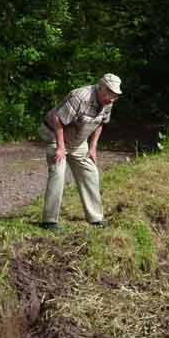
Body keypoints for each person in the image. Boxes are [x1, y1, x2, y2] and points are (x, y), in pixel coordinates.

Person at [38, 73, 122, 230]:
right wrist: (61, 148)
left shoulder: (108, 101)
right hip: (56, 135)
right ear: (101, 87)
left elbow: (100, 123)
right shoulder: (80, 97)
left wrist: (92, 148)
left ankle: (95, 218)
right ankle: (49, 221)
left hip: (78, 140)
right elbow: (57, 119)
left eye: (115, 95)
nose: (112, 98)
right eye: (110, 93)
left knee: (91, 172)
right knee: (58, 173)